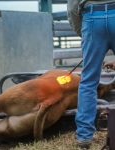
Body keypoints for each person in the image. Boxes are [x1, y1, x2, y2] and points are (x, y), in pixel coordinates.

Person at [67, 0, 115, 149]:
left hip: (92, 17)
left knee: (88, 81)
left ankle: (84, 136)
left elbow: (73, 7)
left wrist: (83, 32)